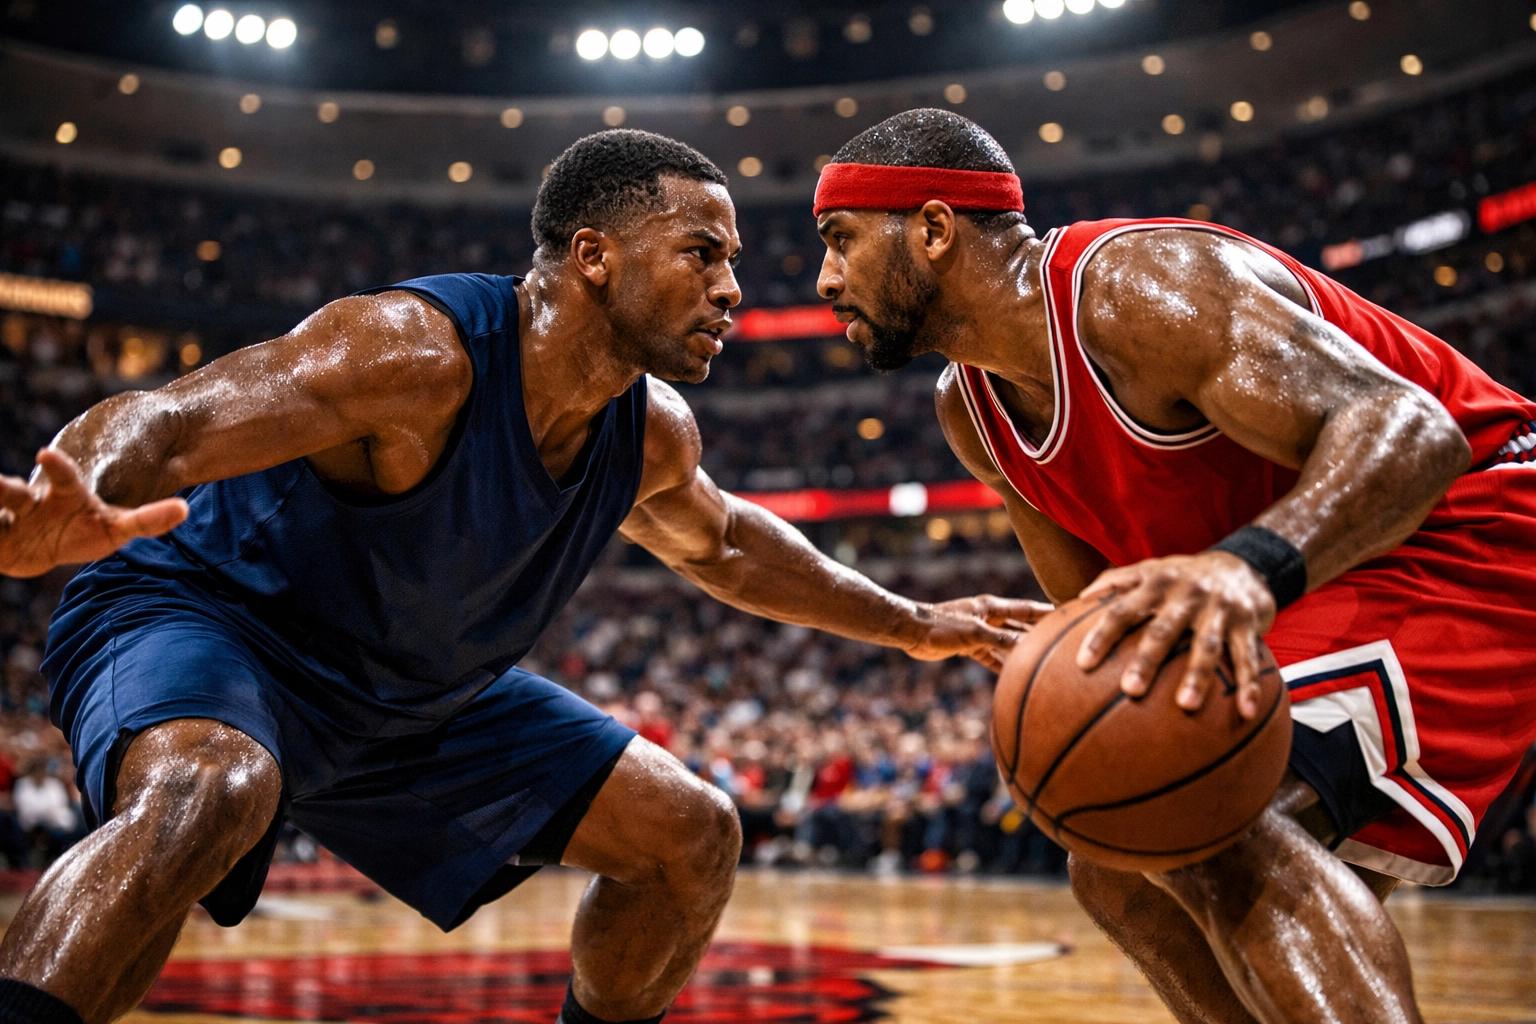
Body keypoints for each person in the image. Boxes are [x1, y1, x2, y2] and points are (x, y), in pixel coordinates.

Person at [0, 129, 1043, 1024]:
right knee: (211, 790)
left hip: (410, 696)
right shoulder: (413, 354)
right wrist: (75, 494)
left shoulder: (650, 437)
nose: (732, 288)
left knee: (689, 835)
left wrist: (914, 620)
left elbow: (728, 546)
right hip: (211, 619)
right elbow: (170, 421)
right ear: (593, 255)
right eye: (703, 254)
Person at [812, 108, 1536, 1023]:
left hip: (1469, 522)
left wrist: (1242, 569)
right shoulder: (973, 411)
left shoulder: (1137, 287)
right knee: (1115, 856)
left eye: (840, 240)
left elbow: (1414, 435)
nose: (827, 279)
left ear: (933, 228)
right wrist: (1063, 649)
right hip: (1324, 575)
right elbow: (1096, 607)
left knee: (1208, 822)